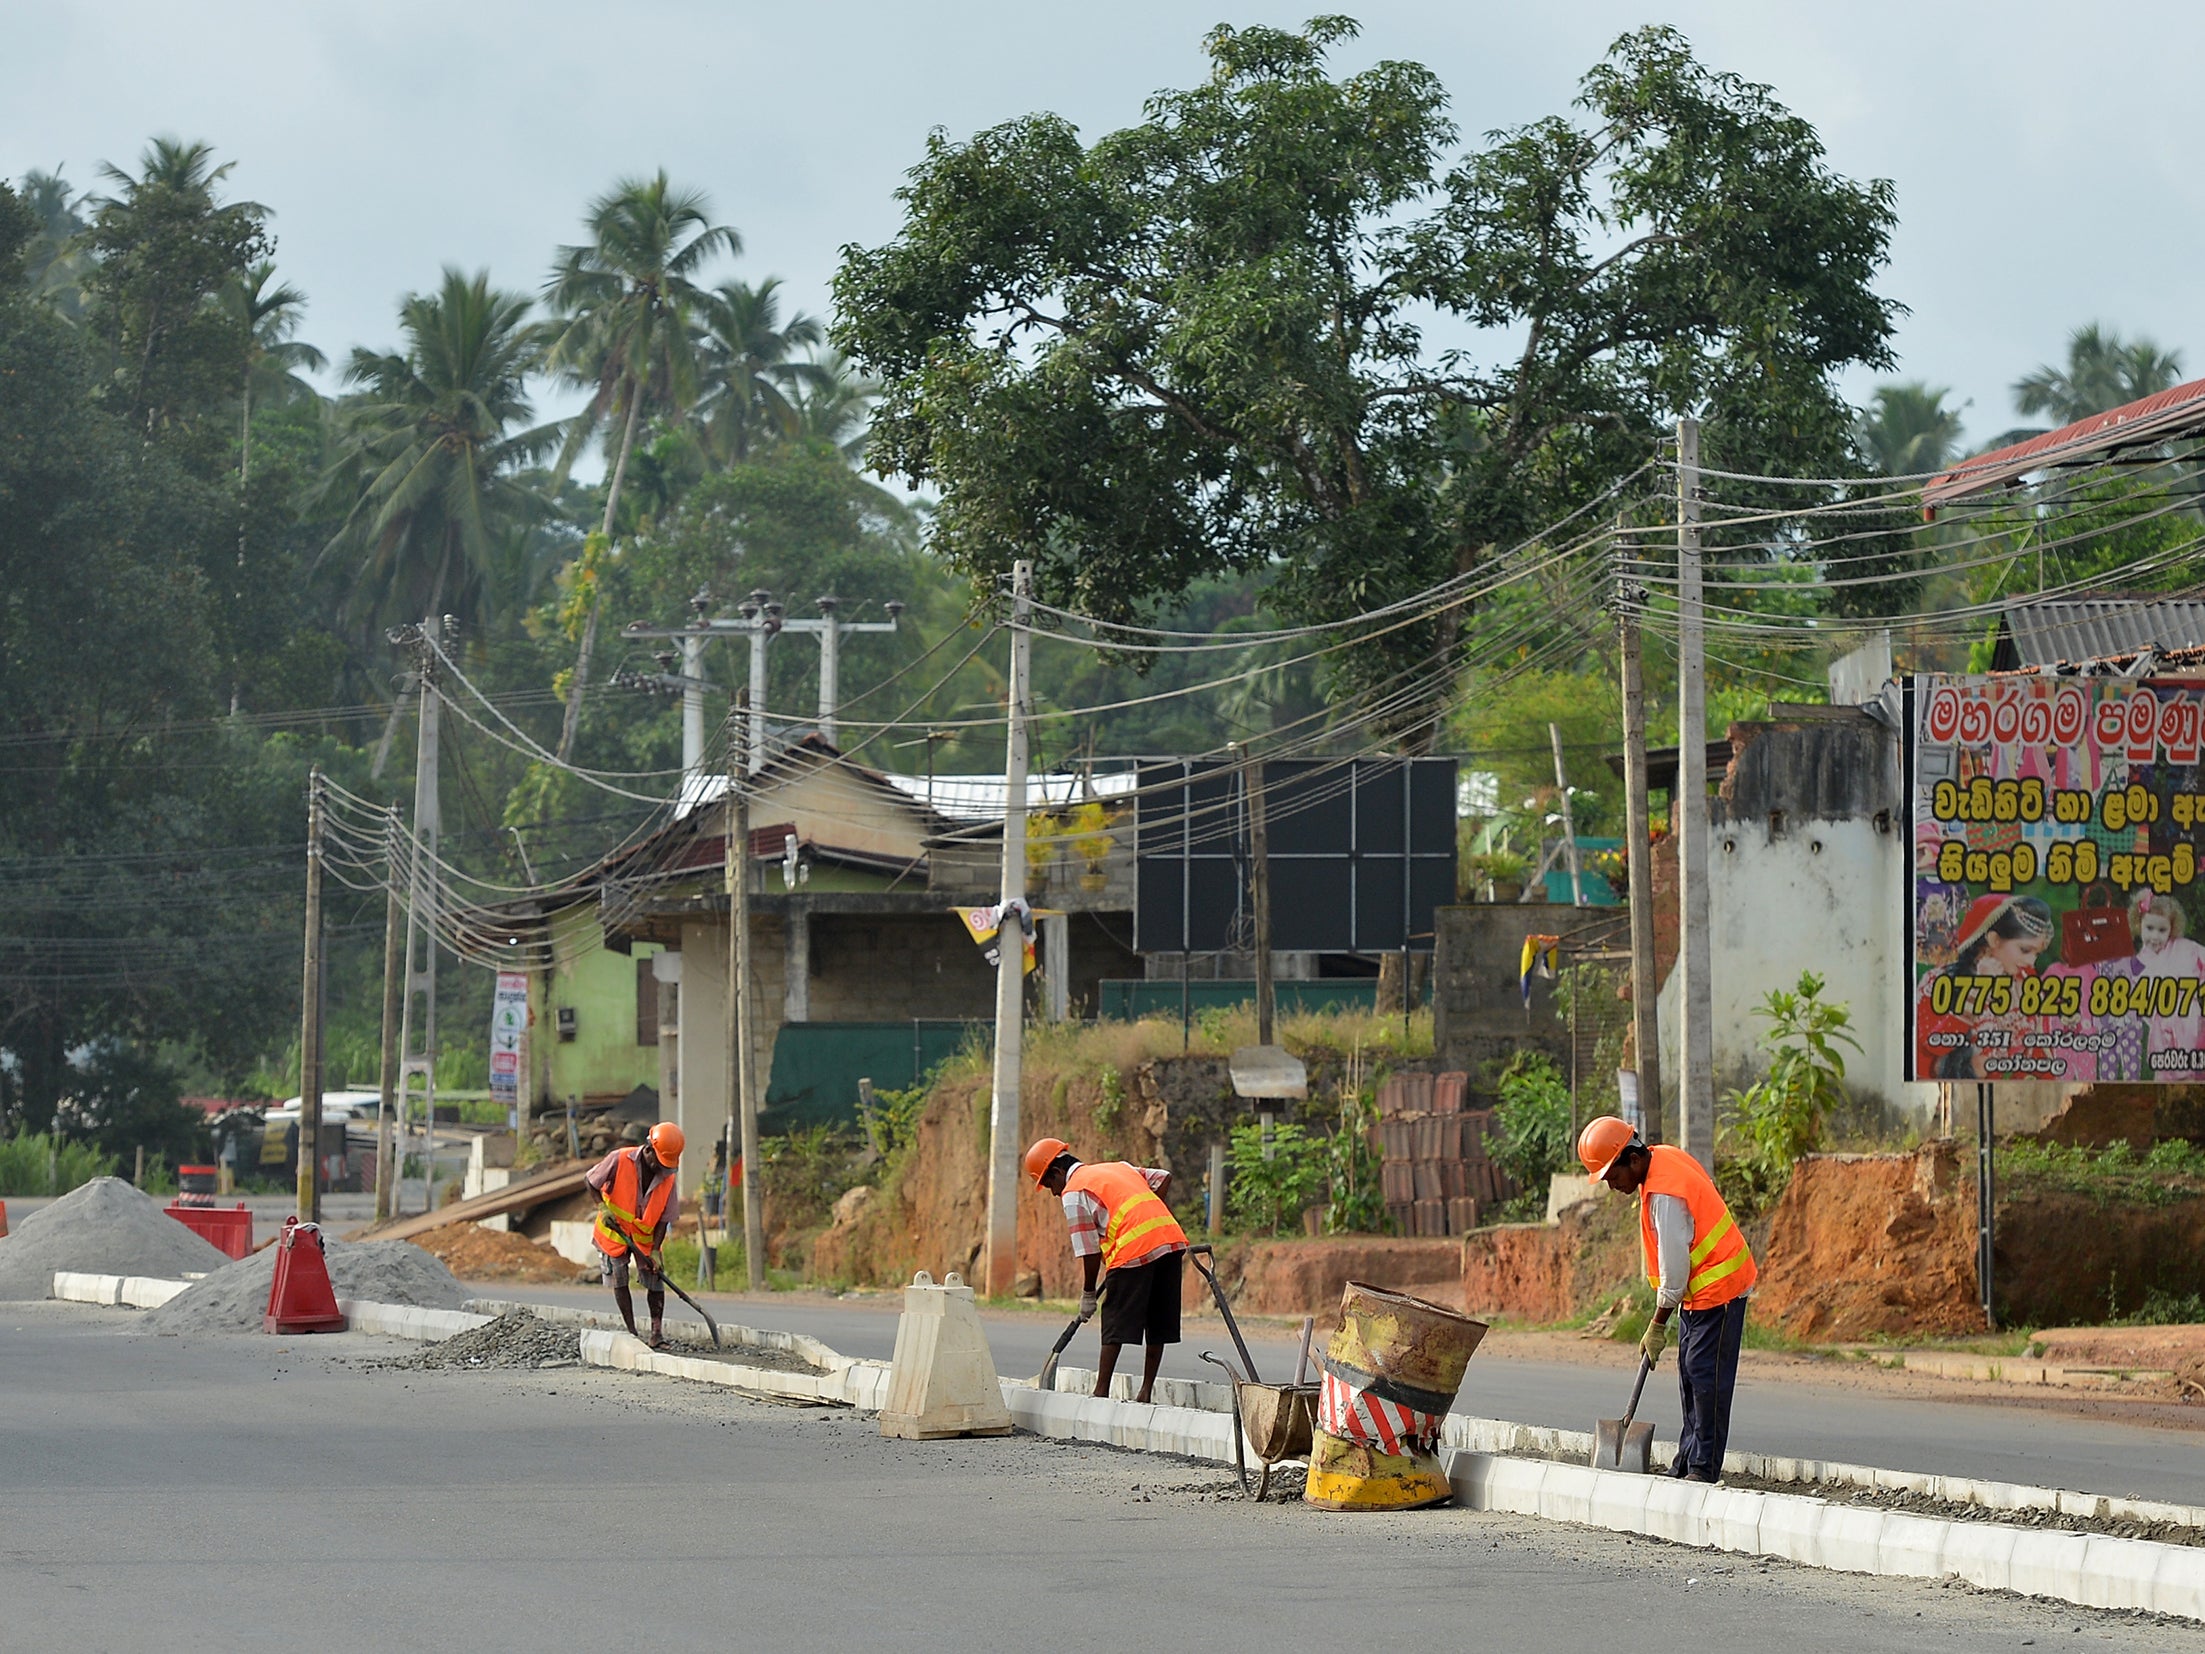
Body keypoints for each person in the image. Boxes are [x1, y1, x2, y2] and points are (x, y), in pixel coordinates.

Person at [1577, 1117, 1757, 1484]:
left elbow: (1674, 1271)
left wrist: (1657, 1323)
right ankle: (1687, 1460)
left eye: (1613, 1177)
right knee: (1691, 1374)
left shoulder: (1665, 1195)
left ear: (1633, 1159)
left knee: (1707, 1380)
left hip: (1719, 1289)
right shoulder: (1662, 1161)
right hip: (1700, 1292)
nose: (1613, 1187)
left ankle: (1703, 1469)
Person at [1025, 1136, 1187, 1404]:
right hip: (1169, 1239)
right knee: (1158, 1319)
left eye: (1049, 1184)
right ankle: (1145, 1392)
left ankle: (1100, 1393)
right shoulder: (1118, 1167)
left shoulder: (1073, 1191)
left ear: (1057, 1172)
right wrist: (1149, 1217)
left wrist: (1088, 1293)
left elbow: (1088, 1250)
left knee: (1114, 1320)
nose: (1053, 1192)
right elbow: (1163, 1177)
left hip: (1133, 1249)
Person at [1912, 893, 2053, 1080]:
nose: (2030, 962)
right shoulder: (1940, 979)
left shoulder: (2025, 983)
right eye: (2025, 950)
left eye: (2036, 954)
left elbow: (2037, 1055)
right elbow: (1935, 1045)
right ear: (1994, 939)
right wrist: (1978, 991)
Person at [587, 1122, 684, 1347]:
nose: (661, 1168)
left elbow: (664, 1218)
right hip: (615, 1232)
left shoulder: (667, 1177)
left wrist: (655, 1250)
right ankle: (632, 1334)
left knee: (656, 1281)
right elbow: (591, 1181)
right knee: (619, 1276)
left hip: (645, 1238)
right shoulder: (619, 1159)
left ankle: (656, 1334)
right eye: (658, 1162)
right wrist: (602, 1207)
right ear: (648, 1149)